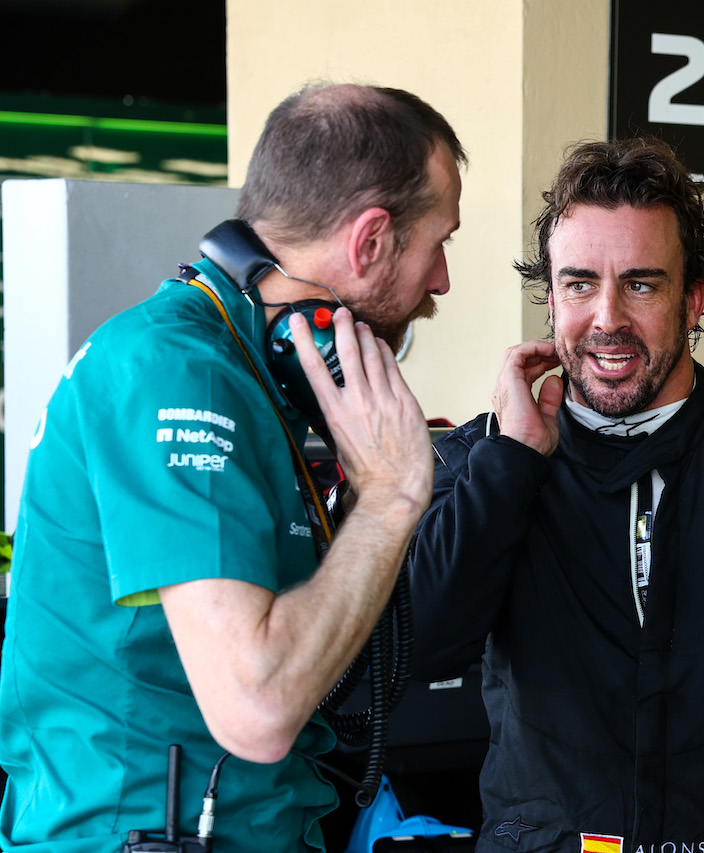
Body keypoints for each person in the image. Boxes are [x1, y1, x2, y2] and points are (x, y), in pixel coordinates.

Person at [0, 83, 464, 853]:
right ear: (371, 239)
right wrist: (391, 497)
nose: (442, 278)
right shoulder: (178, 373)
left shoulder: (258, 370)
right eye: (438, 240)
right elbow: (258, 705)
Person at [408, 137, 704, 852]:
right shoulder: (484, 456)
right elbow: (421, 647)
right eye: (578, 284)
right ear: (550, 295)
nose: (606, 318)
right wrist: (509, 463)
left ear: (694, 298)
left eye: (640, 283)